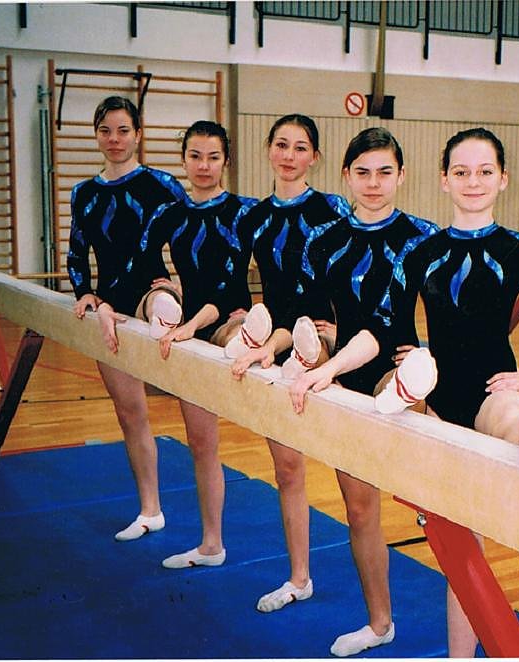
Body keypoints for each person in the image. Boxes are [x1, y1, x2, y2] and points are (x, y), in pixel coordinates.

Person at [382, 127, 519, 656]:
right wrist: (412, 370)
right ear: (444, 181)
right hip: (439, 402)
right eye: (462, 172)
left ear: (503, 179)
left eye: (485, 171)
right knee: (461, 543)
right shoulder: (419, 253)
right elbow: (395, 326)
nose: (474, 182)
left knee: (512, 413)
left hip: (496, 389)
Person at [287, 127, 439, 656]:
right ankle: (380, 624)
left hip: (393, 373)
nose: (373, 184)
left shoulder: (423, 237)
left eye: (385, 172)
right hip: (347, 374)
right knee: (359, 510)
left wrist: (437, 351)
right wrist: (320, 338)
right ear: (346, 175)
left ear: (401, 175)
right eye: (363, 172)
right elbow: (311, 313)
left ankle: (411, 399)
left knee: (439, 500)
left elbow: (470, 311)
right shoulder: (324, 241)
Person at [228, 114, 350, 613]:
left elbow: (356, 273)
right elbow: (232, 277)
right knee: (287, 467)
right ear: (268, 150)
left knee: (355, 475)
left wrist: (342, 333)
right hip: (278, 340)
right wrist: (240, 314)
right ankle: (300, 577)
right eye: (281, 144)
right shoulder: (254, 218)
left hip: (330, 345)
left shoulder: (334, 208)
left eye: (301, 147)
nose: (290, 154)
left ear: (315, 157)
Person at [133, 120, 258, 568]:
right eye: (195, 156)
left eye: (213, 157)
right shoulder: (171, 213)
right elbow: (142, 257)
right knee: (202, 445)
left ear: (227, 160)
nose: (204, 166)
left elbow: (229, 281)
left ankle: (252, 337)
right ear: (183, 159)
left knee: (234, 335)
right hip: (193, 329)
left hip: (229, 318)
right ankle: (211, 545)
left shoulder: (244, 212)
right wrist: (162, 287)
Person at [67, 95, 186, 542]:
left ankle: (167, 314)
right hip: (110, 306)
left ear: (138, 133)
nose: (114, 140)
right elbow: (78, 253)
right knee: (131, 412)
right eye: (105, 131)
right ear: (96, 136)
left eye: (122, 130)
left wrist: (185, 286)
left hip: (151, 291)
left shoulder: (161, 184)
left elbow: (195, 235)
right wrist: (87, 295)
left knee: (161, 304)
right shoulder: (86, 193)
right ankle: (150, 509)